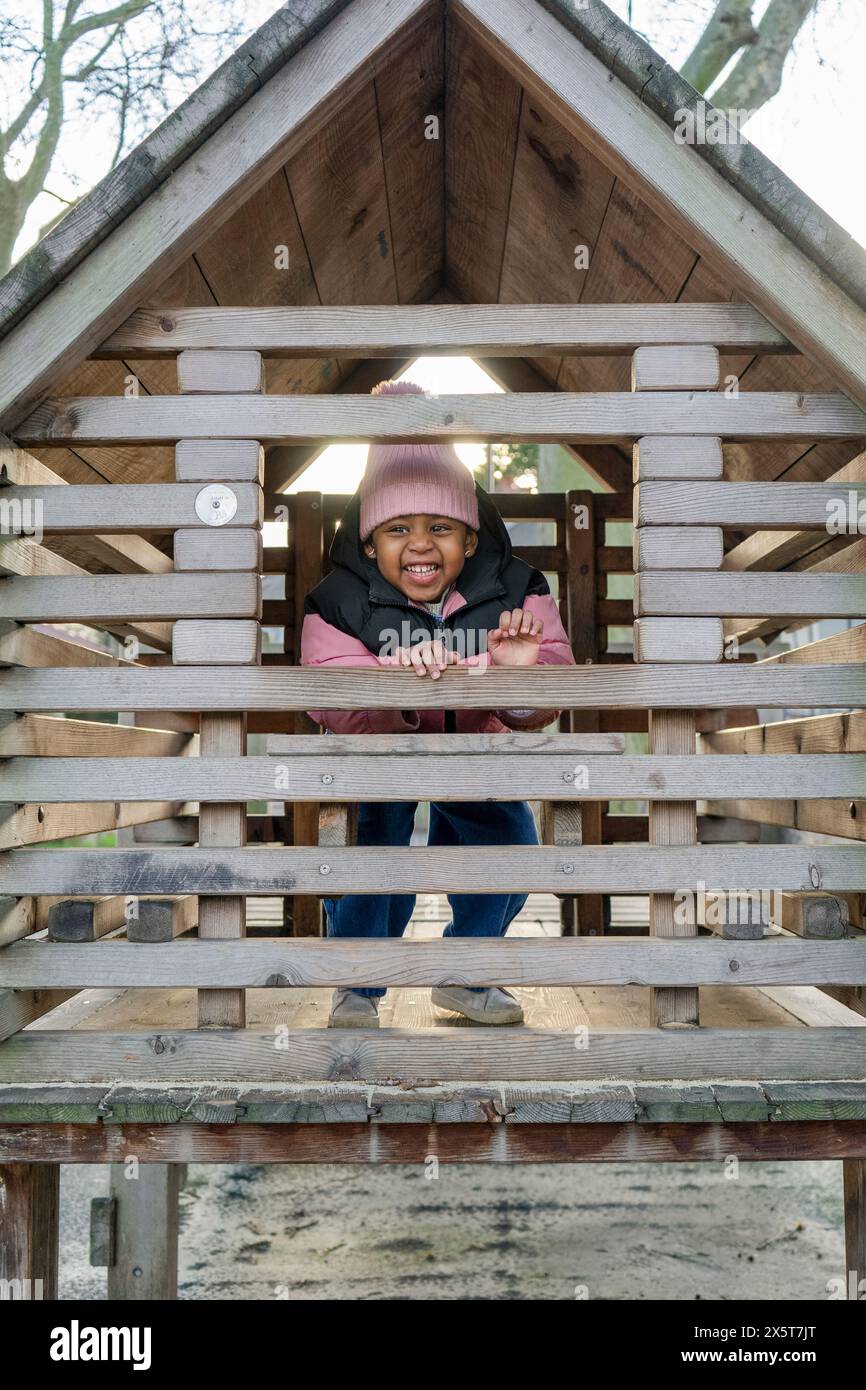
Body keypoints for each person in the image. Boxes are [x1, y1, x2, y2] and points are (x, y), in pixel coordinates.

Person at [300, 378, 576, 1028]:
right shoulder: (338, 598)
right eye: (397, 529)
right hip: (380, 757)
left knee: (508, 840)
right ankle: (358, 985)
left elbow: (555, 673)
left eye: (441, 528)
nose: (420, 544)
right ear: (370, 543)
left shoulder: (517, 588)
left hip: (477, 749)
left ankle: (468, 976)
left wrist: (511, 676)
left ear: (471, 539)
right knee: (375, 854)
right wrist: (395, 680)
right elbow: (329, 689)